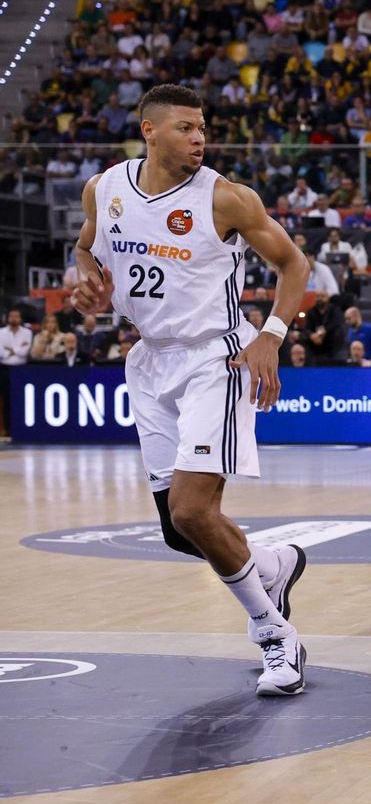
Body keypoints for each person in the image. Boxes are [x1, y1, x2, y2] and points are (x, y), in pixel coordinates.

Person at [70, 85, 313, 697]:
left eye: (202, 127)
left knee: (191, 510)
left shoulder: (226, 198)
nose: (199, 138)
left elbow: (294, 264)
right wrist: (88, 282)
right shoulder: (104, 188)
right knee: (179, 531)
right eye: (185, 128)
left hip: (216, 357)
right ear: (149, 131)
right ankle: (274, 565)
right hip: (150, 359)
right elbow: (85, 246)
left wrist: (272, 336)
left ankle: (276, 634)